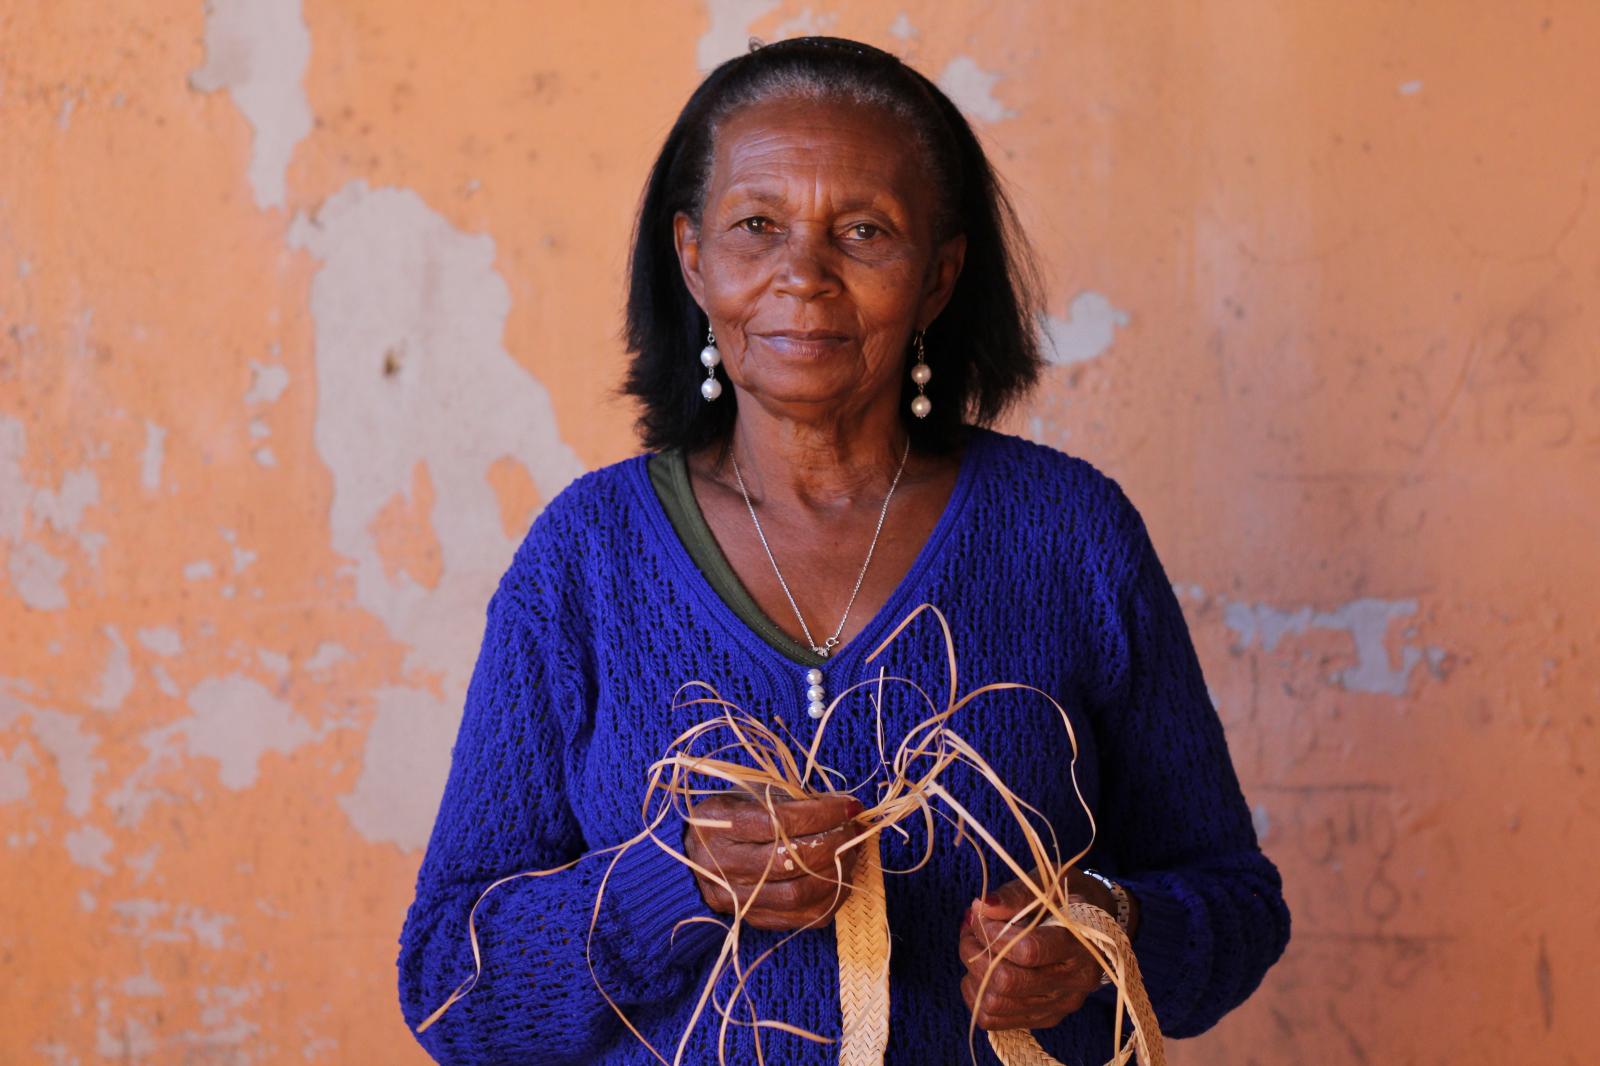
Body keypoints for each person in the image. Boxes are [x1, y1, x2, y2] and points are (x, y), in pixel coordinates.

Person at [397, 36, 1289, 1065]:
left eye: (863, 231)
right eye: (756, 227)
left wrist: (1097, 930)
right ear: (694, 258)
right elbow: (449, 986)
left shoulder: (1069, 535)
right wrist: (672, 883)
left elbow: (1230, 904)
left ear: (939, 276)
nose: (803, 276)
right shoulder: (586, 559)